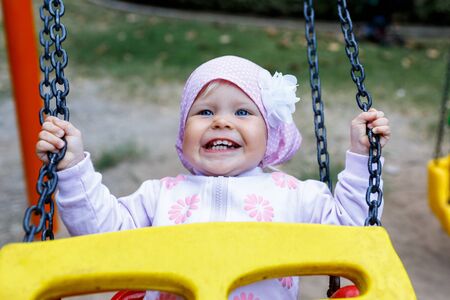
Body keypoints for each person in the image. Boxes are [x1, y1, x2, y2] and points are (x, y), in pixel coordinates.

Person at [36, 55, 390, 300]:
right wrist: (73, 166)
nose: (221, 122)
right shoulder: (160, 196)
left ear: (270, 133)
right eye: (204, 111)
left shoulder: (292, 194)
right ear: (183, 132)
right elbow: (101, 237)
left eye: (242, 111)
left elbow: (352, 230)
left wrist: (362, 157)